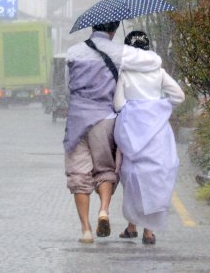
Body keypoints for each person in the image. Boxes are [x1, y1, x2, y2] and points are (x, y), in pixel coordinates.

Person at [64, 21, 163, 244]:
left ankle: (86, 230)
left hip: (77, 119)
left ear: (92, 27)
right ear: (115, 29)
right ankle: (104, 211)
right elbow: (151, 62)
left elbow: (67, 85)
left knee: (78, 174)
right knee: (105, 170)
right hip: (105, 119)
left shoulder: (72, 52)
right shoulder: (120, 53)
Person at [113, 31, 185, 245]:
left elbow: (118, 105)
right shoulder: (159, 72)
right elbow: (179, 96)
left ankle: (132, 226)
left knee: (132, 176)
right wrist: (158, 106)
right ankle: (149, 231)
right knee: (155, 178)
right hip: (157, 133)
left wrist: (134, 108)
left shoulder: (124, 73)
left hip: (132, 132)